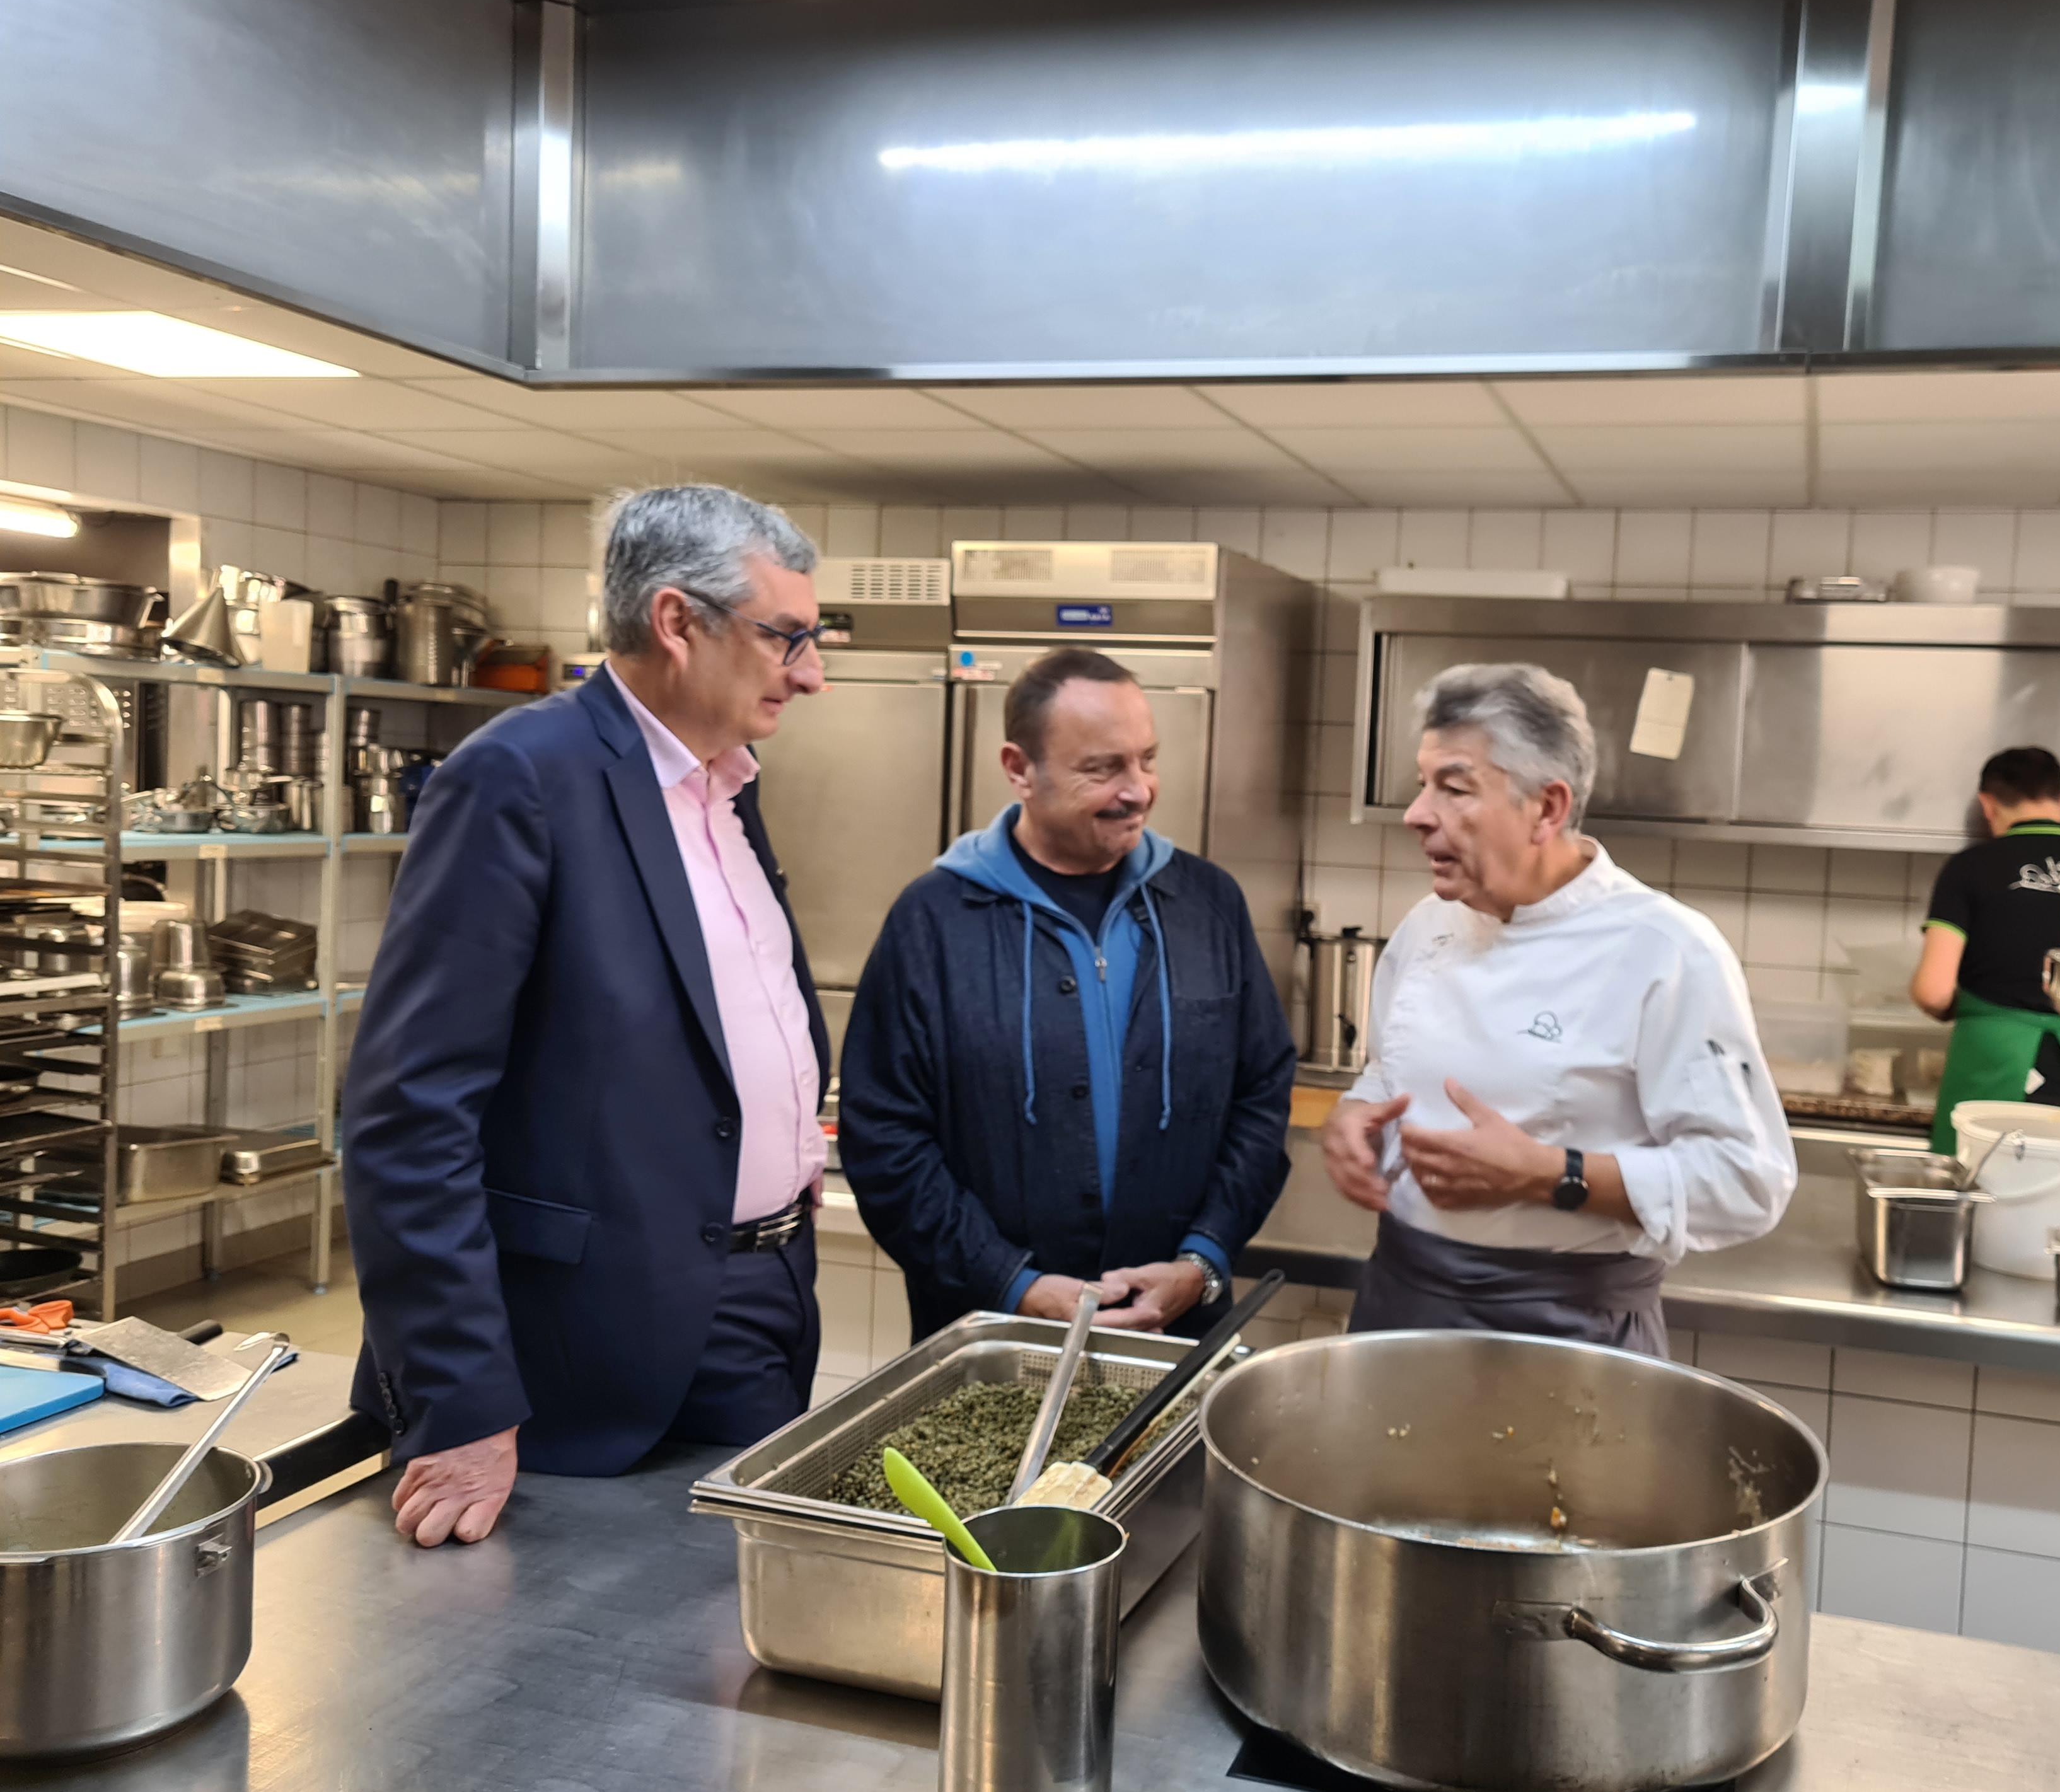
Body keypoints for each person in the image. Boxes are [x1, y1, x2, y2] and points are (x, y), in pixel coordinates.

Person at [343, 485, 828, 1547]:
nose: (810, 672)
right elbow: (409, 1113)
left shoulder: (725, 785)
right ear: (677, 622)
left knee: (726, 1622)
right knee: (556, 1643)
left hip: (759, 1300)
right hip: (572, 1352)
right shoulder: (519, 777)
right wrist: (462, 1398)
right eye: (785, 636)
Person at [1320, 662, 1795, 1353]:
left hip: (1569, 1330)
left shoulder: (1665, 950)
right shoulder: (1428, 925)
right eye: (1423, 784)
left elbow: (1747, 1183)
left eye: (1454, 788)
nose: (1417, 814)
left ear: (1547, 808)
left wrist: (1550, 1174)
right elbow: (1392, 1074)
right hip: (1402, 1300)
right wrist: (1355, 1116)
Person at [840, 648, 1295, 1341]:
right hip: (989, 1333)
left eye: (1147, 760)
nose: (1138, 790)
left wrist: (1203, 1260)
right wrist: (1010, 1283)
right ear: (1019, 768)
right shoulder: (934, 921)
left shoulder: (1208, 905)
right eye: (1102, 768)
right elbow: (883, 1138)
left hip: (1177, 1330)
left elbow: (1260, 1096)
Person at [1910, 744, 2060, 1150]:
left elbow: (1933, 991)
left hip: (1993, 1064)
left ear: (1988, 804)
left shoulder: (1970, 868)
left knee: (1984, 1179)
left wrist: (1965, 1011)